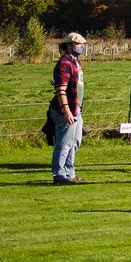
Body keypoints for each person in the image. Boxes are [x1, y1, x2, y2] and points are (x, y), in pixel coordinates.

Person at [49, 32, 87, 185]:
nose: (82, 47)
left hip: (76, 108)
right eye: (79, 45)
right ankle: (59, 175)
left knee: (75, 141)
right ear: (70, 46)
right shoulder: (64, 63)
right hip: (66, 110)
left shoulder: (75, 62)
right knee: (64, 143)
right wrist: (66, 110)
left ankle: (69, 172)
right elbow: (61, 90)